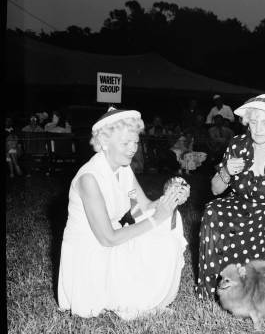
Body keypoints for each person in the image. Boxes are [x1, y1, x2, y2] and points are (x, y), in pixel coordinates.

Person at [57, 107, 189, 320]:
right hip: (92, 253)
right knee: (157, 229)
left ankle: (147, 297)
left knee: (168, 228)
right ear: (104, 143)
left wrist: (171, 198)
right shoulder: (89, 178)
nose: (132, 150)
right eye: (125, 143)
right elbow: (107, 238)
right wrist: (157, 218)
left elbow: (144, 208)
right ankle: (134, 297)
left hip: (113, 240)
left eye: (135, 142)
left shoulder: (123, 169)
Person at [196, 94, 265, 299]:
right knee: (212, 209)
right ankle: (210, 290)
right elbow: (215, 189)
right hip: (239, 206)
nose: (259, 128)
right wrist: (226, 171)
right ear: (247, 123)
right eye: (253, 122)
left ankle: (256, 285)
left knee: (262, 291)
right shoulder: (237, 145)